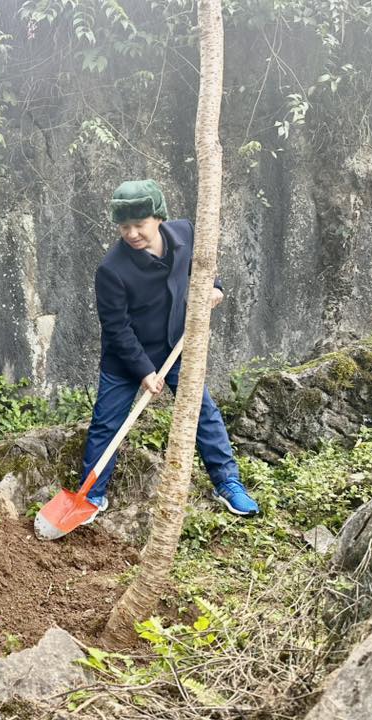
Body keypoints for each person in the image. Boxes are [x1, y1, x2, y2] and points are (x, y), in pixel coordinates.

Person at [77, 179, 259, 523]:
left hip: (177, 345)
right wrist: (144, 370)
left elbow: (201, 265)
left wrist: (214, 287)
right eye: (124, 226)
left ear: (158, 218)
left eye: (139, 224)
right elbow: (116, 328)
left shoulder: (186, 233)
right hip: (126, 359)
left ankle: (228, 482)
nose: (131, 233)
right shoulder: (111, 269)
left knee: (203, 411)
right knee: (107, 424)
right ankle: (91, 495)